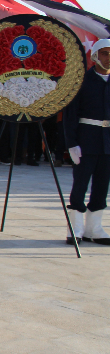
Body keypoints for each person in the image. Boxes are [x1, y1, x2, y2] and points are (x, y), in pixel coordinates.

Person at [63, 38, 110, 245]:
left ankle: (94, 229)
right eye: (105, 53)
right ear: (95, 55)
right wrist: (72, 143)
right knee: (80, 185)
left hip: (108, 143)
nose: (108, 58)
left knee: (102, 186)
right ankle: (75, 229)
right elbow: (70, 115)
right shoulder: (81, 81)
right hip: (86, 140)